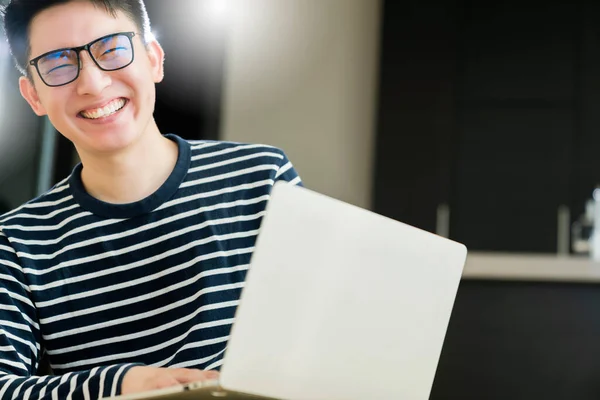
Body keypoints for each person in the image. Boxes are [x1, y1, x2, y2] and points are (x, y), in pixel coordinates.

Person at [0, 0, 302, 398]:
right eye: (58, 63)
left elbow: (318, 329)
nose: (92, 83)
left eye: (110, 49)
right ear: (33, 95)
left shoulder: (261, 176)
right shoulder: (17, 242)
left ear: (154, 59)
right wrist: (121, 386)